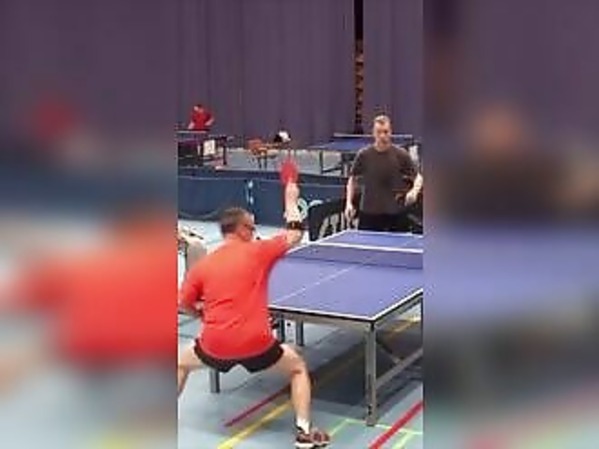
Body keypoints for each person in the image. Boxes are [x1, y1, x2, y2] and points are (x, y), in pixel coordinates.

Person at [177, 182, 331, 449]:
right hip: (256, 343)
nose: (254, 232)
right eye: (251, 227)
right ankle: (304, 432)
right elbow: (295, 234)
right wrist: (290, 198)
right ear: (239, 229)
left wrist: (202, 315)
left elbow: (184, 303)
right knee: (297, 368)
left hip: (215, 344)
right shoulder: (259, 251)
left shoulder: (203, 265)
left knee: (180, 364)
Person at [345, 115, 423, 232]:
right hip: (369, 214)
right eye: (379, 132)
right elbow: (352, 180)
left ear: (390, 132)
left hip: (395, 214)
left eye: (385, 132)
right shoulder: (364, 155)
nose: (382, 136)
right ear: (373, 133)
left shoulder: (401, 154)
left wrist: (414, 191)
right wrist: (348, 203)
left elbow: (418, 177)